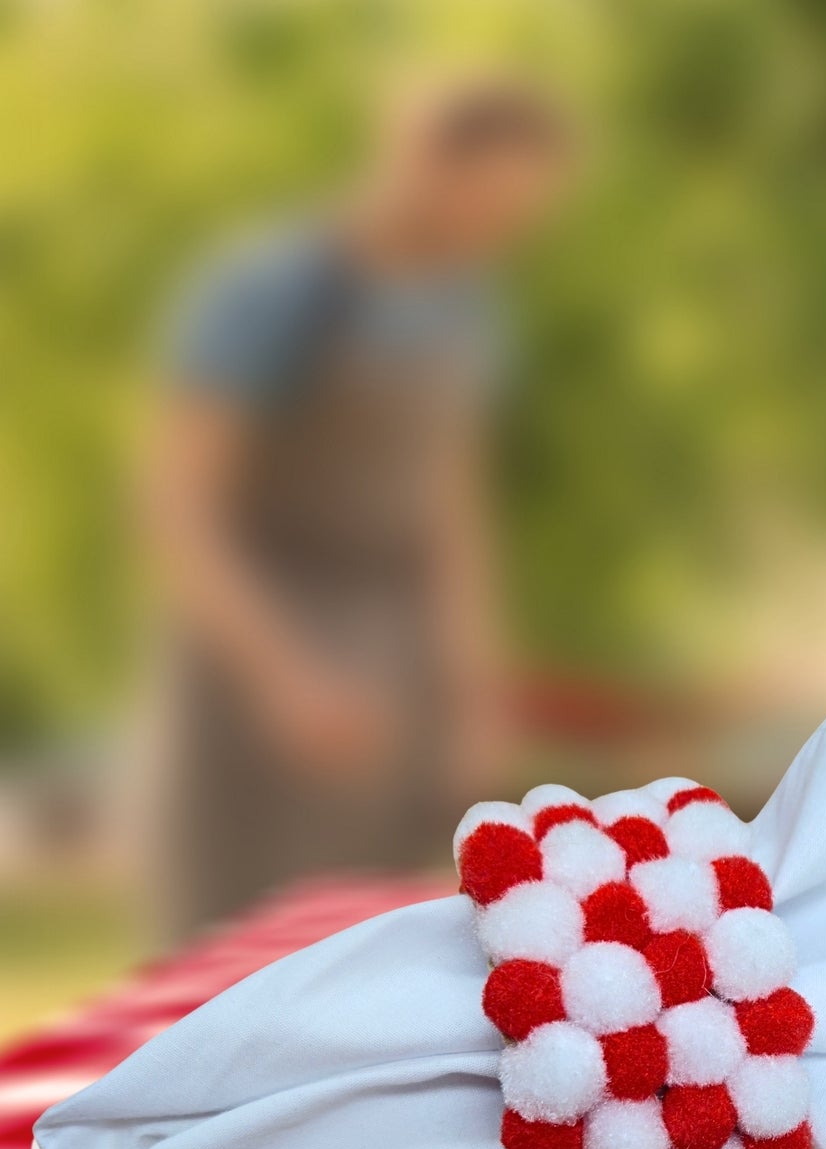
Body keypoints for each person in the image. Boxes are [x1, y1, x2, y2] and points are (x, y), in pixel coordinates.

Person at [140, 75, 571, 943]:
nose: (501, 229)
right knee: (234, 951)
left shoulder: (467, 308)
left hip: (393, 647)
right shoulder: (273, 293)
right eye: (489, 201)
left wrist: (472, 690)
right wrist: (281, 675)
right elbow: (179, 505)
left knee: (371, 948)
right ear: (422, 164)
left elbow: (451, 511)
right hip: (263, 640)